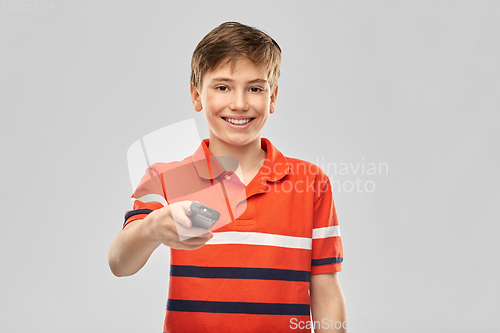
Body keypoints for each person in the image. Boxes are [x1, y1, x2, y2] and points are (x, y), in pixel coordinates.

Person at [108, 21, 347, 332]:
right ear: (196, 95)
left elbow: (326, 290)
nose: (239, 103)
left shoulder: (311, 181)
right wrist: (152, 227)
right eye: (223, 87)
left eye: (255, 88)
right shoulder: (164, 178)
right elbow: (119, 263)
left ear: (272, 97)